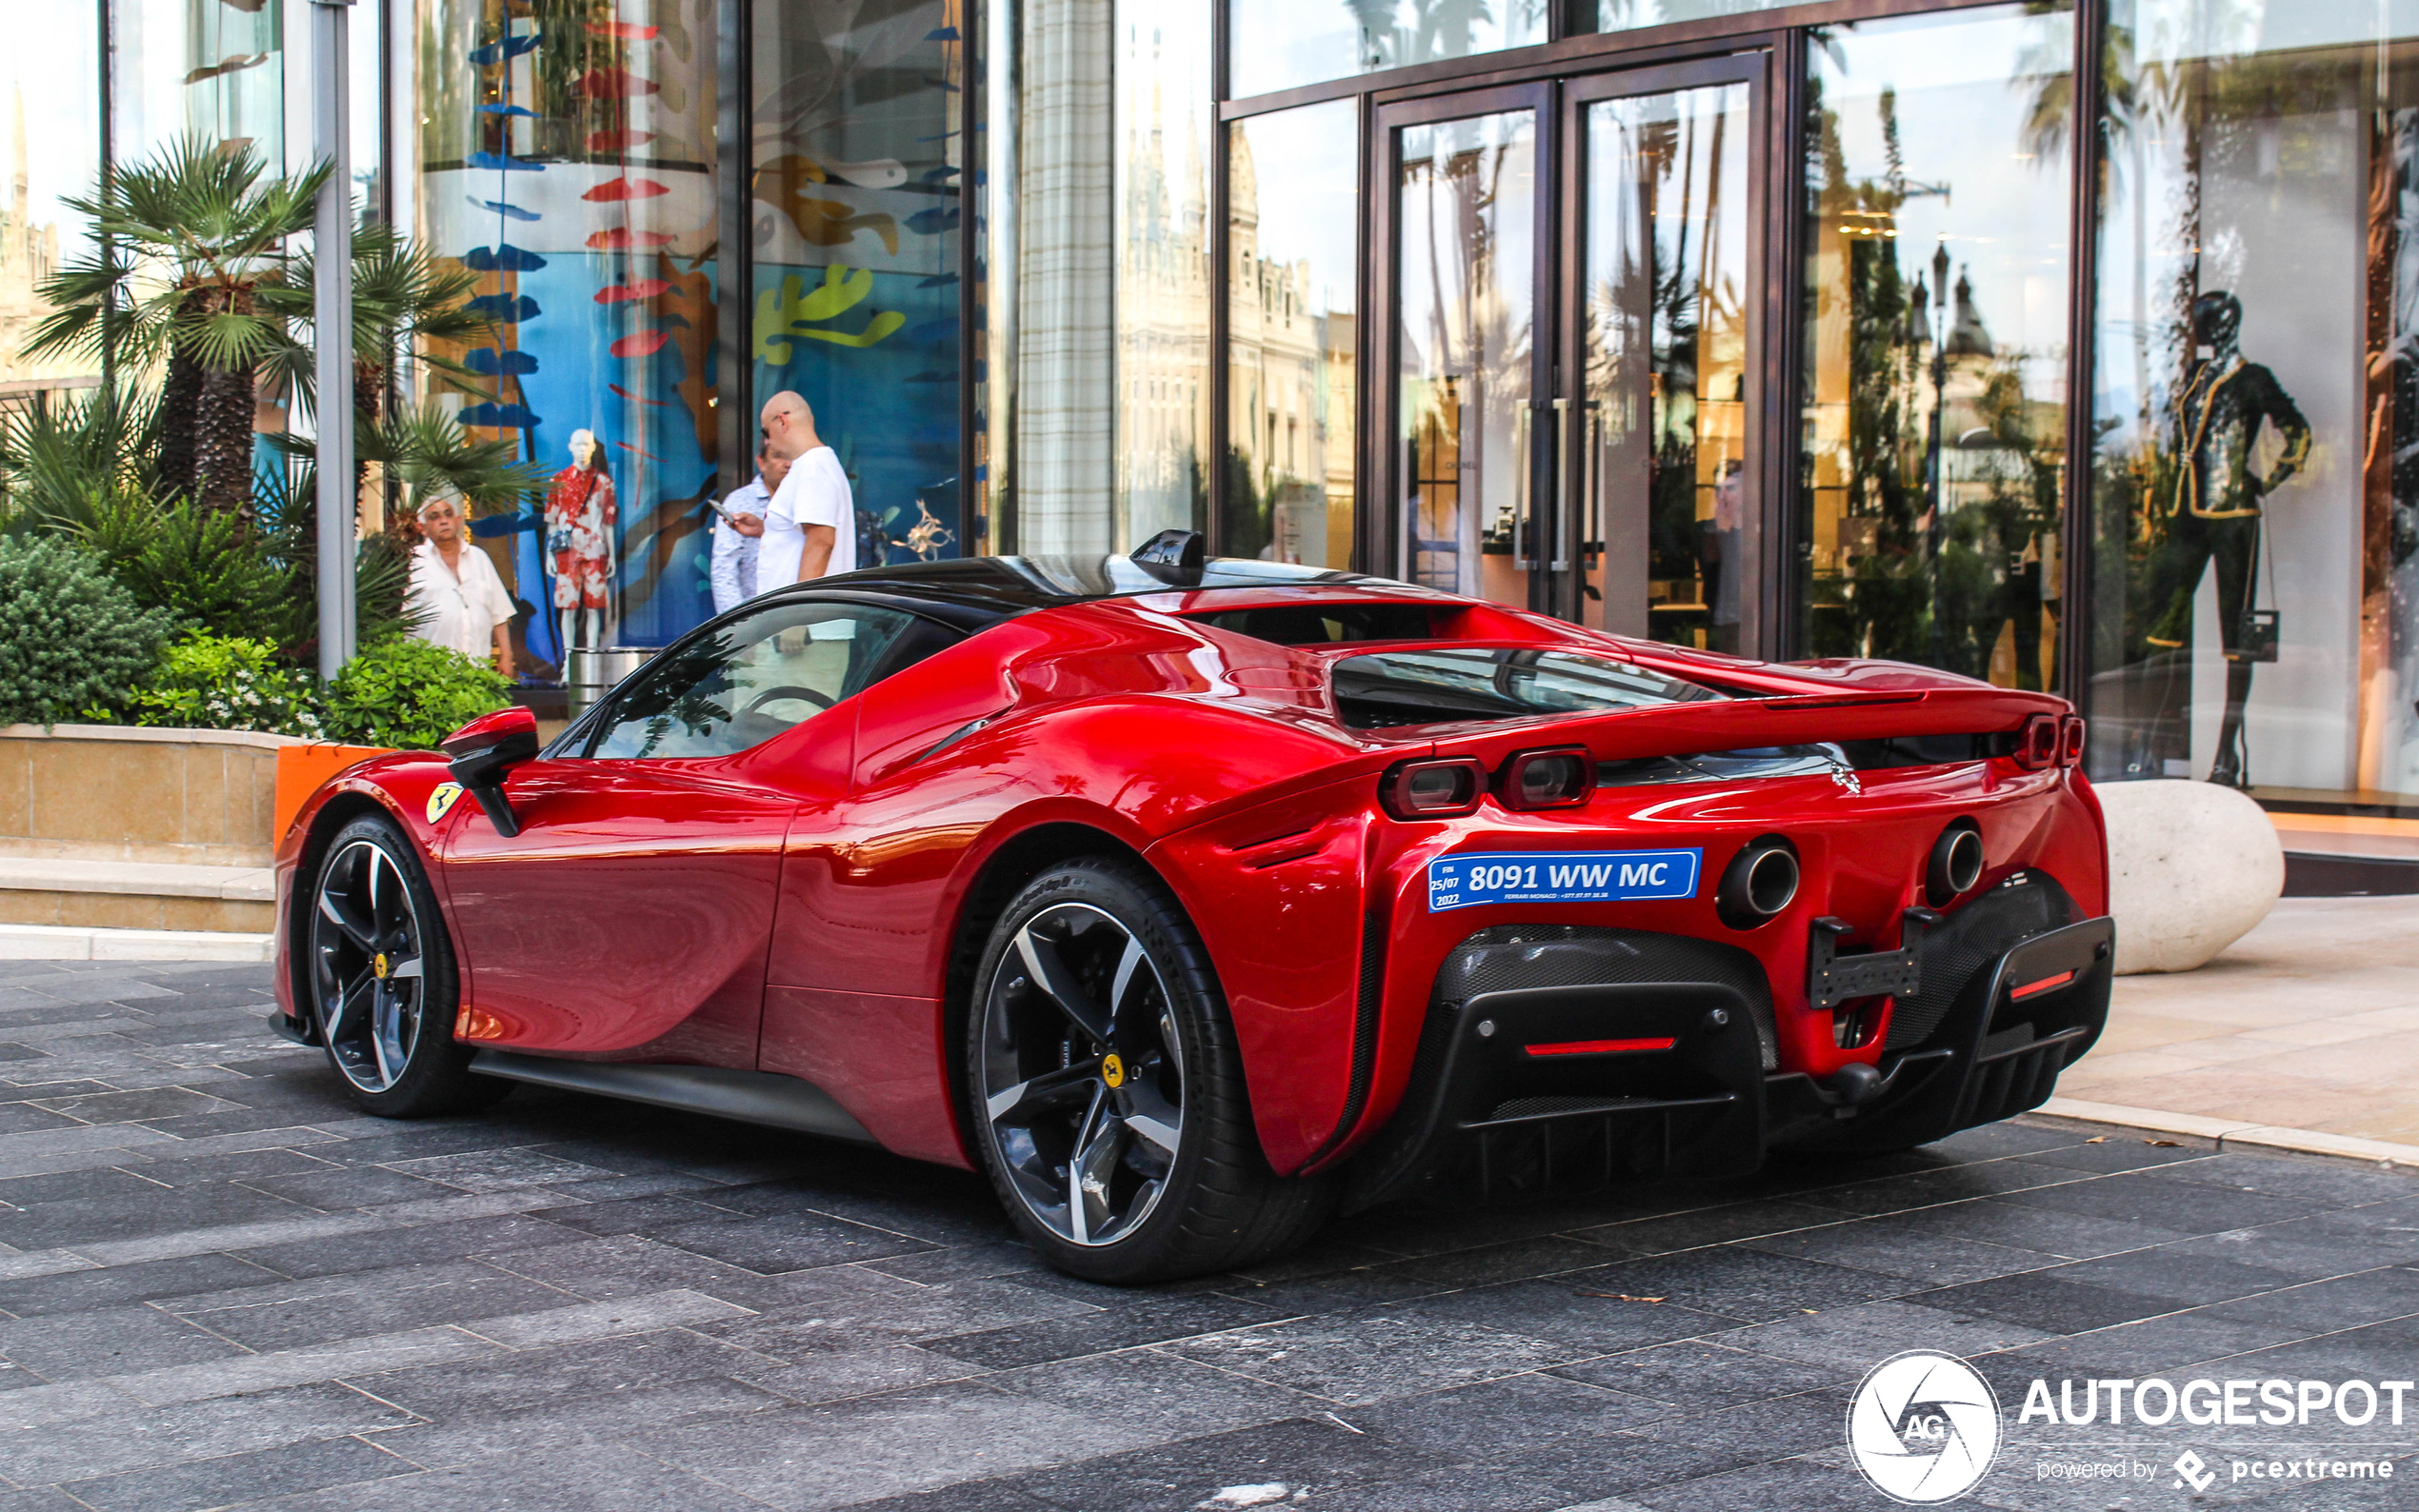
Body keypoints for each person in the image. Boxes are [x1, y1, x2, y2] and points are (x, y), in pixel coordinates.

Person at [406, 494, 516, 677]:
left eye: (448, 515)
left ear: (458, 521)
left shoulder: (479, 557)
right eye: (434, 517)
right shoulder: (412, 561)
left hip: (476, 672)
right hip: (428, 675)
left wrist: (506, 656)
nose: (443, 521)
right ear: (422, 528)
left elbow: (499, 614)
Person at [758, 389, 857, 586]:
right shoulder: (814, 465)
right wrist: (763, 528)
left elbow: (821, 541)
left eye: (765, 432)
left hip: (799, 613)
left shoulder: (812, 467)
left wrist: (797, 610)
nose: (767, 441)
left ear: (782, 421)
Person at [710, 441, 789, 613]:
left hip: (798, 613)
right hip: (754, 616)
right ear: (761, 462)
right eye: (778, 457)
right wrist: (736, 621)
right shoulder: (740, 501)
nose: (787, 464)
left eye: (791, 457)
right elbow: (725, 568)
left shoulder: (805, 499)